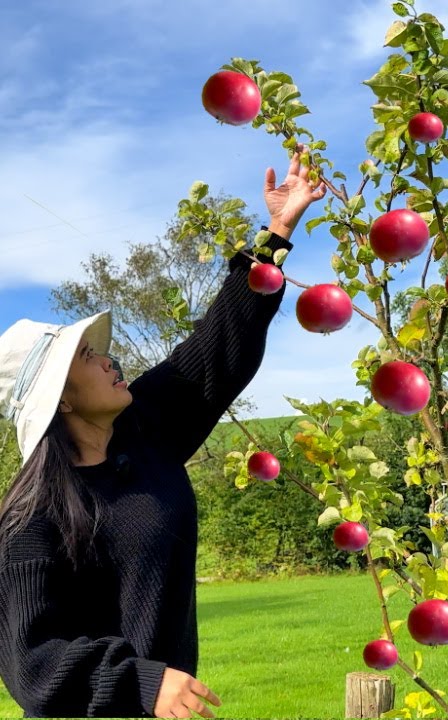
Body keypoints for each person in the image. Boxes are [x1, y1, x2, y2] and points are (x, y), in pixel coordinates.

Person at [0, 149, 325, 718]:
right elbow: (31, 666)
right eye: (86, 357)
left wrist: (276, 231)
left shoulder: (145, 433)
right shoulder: (31, 519)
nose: (109, 360)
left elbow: (218, 346)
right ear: (62, 399)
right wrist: (142, 683)